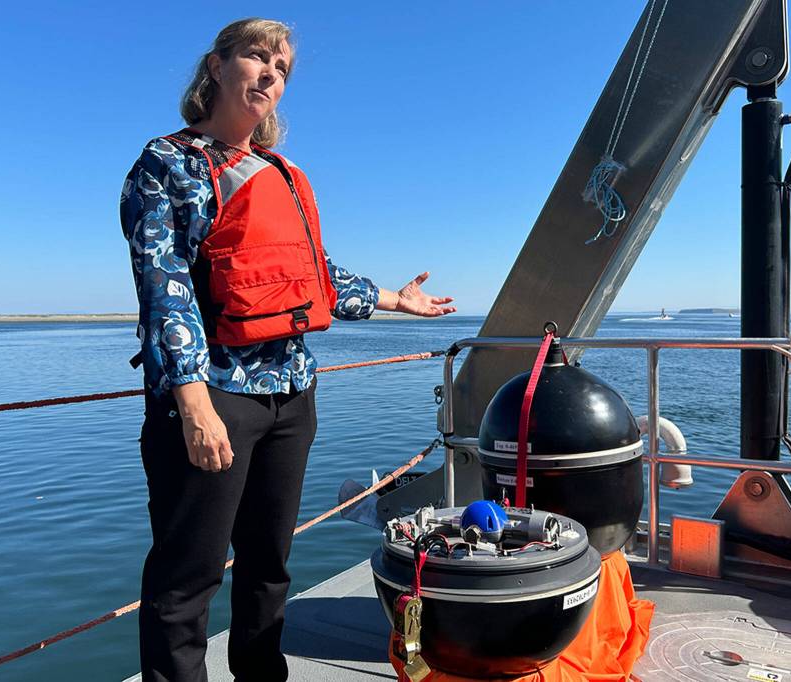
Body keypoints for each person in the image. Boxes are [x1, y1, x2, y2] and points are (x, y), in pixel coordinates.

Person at [119, 18, 455, 682]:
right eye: (258, 56)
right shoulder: (168, 163)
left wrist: (395, 299)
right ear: (217, 66)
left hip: (292, 395)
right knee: (187, 580)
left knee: (269, 567)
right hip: (214, 397)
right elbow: (164, 286)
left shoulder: (282, 173)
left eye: (284, 67)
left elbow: (310, 273)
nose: (273, 73)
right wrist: (192, 402)